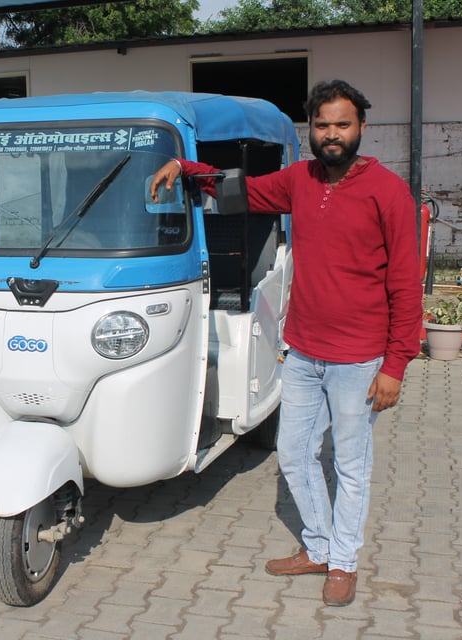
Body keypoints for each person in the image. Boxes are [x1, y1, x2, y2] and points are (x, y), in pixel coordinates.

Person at [150, 80, 422, 606]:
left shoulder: (388, 191)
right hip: (302, 352)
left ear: (361, 126)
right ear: (311, 130)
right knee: (295, 454)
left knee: (350, 463)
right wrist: (189, 170)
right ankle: (318, 546)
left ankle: (344, 562)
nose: (332, 134)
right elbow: (246, 192)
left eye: (342, 124)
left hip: (359, 360)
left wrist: (396, 364)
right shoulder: (301, 179)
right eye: (322, 125)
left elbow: (405, 286)